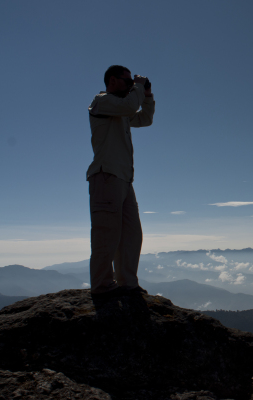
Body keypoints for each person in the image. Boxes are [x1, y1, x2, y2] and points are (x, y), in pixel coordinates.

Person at [86, 65, 155, 299]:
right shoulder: (102, 102)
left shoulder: (119, 111)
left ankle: (127, 283)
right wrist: (138, 87)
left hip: (124, 179)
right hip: (106, 176)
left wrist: (147, 95)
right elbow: (129, 106)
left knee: (131, 234)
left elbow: (144, 119)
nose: (130, 86)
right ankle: (103, 287)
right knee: (107, 234)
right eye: (127, 82)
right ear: (113, 81)